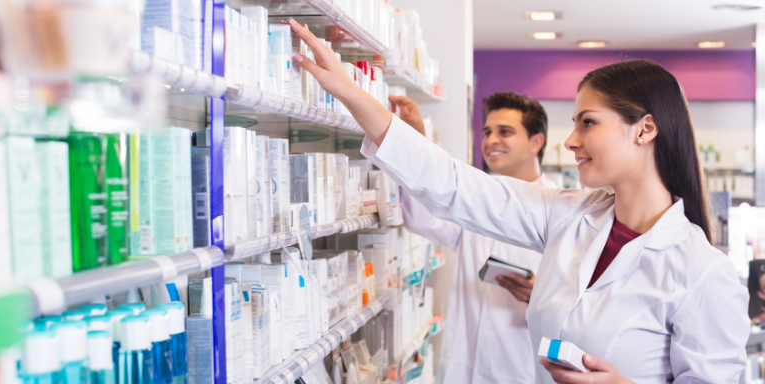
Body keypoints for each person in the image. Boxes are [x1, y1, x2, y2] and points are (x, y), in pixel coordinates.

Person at [285, 19, 750, 384]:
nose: (570, 140)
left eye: (588, 122)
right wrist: (348, 90)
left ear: (645, 129)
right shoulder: (567, 215)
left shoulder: (702, 272)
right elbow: (453, 184)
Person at [389, 92, 554, 384]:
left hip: (520, 369)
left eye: (505, 132)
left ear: (536, 142)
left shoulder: (559, 212)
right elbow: (421, 218)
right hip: (463, 366)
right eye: (487, 132)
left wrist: (546, 298)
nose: (491, 140)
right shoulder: (478, 197)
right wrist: (416, 142)